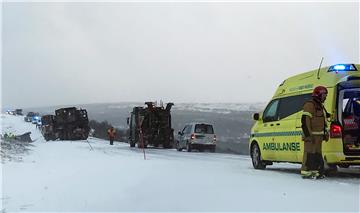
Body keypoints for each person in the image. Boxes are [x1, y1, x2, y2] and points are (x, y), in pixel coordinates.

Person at [301, 86, 329, 179]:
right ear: (318, 94)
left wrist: (325, 133)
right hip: (311, 136)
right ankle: (306, 171)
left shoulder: (320, 106)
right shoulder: (310, 105)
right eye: (324, 95)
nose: (325, 97)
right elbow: (305, 121)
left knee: (317, 154)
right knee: (309, 153)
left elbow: (322, 121)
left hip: (318, 136)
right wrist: (308, 135)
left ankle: (316, 171)